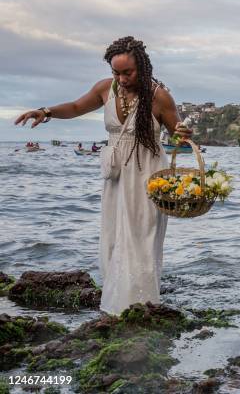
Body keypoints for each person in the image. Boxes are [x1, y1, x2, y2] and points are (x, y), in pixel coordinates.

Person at [14, 36, 192, 316]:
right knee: (113, 236)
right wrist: (45, 111)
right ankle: (115, 305)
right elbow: (75, 107)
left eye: (127, 73)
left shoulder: (159, 96)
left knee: (141, 239)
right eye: (115, 72)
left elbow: (179, 136)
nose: (120, 79)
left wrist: (183, 134)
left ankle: (143, 306)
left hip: (148, 176)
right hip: (116, 175)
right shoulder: (104, 89)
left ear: (142, 68)